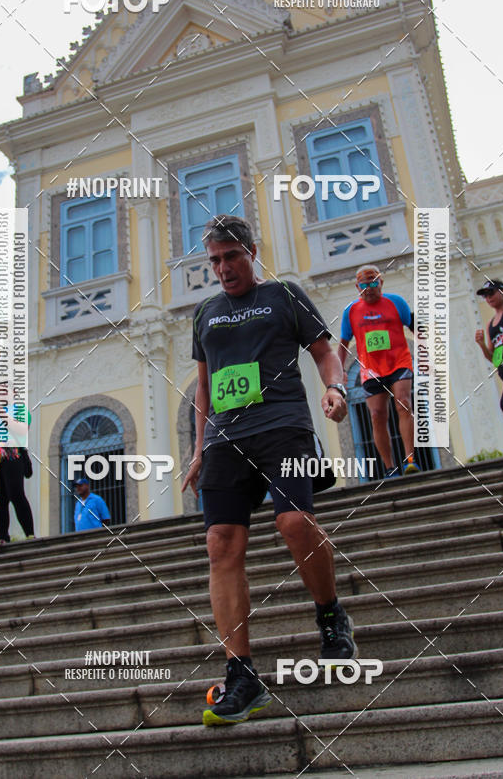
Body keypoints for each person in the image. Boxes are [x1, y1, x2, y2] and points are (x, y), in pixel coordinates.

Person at [182, 214, 355, 728]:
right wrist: (197, 450)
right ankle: (241, 674)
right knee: (220, 544)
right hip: (224, 441)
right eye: (214, 260)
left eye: (231, 256)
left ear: (250, 253)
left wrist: (336, 388)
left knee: (295, 522)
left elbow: (325, 352)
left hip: (284, 428)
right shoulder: (205, 314)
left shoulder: (285, 296)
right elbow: (204, 386)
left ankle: (330, 614)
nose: (223, 268)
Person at [338, 265, 419, 478]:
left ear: (381, 282)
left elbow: (414, 326)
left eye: (373, 282)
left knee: (403, 403)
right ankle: (389, 466)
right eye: (364, 284)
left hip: (399, 362)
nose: (369, 288)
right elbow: (344, 343)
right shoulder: (351, 311)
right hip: (371, 369)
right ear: (357, 286)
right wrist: (339, 373)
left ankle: (410, 459)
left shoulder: (396, 302)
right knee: (376, 415)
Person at [0, 394, 35, 544]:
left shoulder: (18, 409)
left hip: (11, 454)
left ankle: (29, 533)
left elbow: (22, 430)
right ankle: (3, 536)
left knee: (16, 494)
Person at [474, 279, 503, 449]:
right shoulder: (491, 324)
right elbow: (494, 358)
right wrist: (481, 345)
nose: (488, 298)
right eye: (485, 296)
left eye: (491, 293)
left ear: (502, 291)